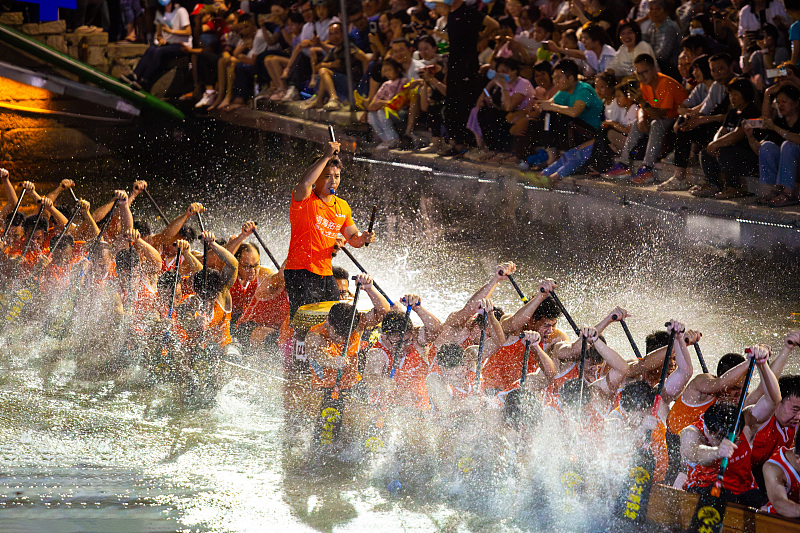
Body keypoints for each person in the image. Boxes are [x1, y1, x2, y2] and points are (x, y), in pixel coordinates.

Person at [680, 345, 781, 508]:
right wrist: (717, 452)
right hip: (704, 493)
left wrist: (762, 364)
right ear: (709, 430)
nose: (724, 439)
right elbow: (695, 453)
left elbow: (773, 400)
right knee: (722, 497)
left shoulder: (745, 421)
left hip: (745, 493)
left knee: (769, 507)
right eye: (719, 437)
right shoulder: (692, 431)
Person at [283, 141, 375, 318]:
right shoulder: (304, 198)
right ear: (316, 178)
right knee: (306, 322)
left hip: (326, 273)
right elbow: (304, 183)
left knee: (334, 319)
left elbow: (354, 239)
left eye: (337, 176)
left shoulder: (342, 206)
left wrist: (364, 237)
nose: (333, 181)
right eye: (327, 176)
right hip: (300, 271)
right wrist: (327, 155)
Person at [603, 54, 688, 184]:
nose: (642, 76)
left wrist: (642, 103)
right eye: (639, 72)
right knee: (638, 122)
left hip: (678, 120)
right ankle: (623, 164)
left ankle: (647, 168)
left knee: (655, 123)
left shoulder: (665, 83)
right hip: (661, 117)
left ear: (654, 69)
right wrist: (642, 118)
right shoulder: (645, 84)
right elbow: (646, 106)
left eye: (645, 72)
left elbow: (659, 115)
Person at [659, 53, 735, 192]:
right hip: (717, 126)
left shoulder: (738, 84)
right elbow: (704, 111)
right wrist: (691, 120)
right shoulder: (716, 87)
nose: (717, 74)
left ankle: (712, 181)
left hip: (734, 130)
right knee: (685, 127)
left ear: (731, 67)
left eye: (721, 69)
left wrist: (702, 119)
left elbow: (735, 117)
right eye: (713, 70)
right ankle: (679, 176)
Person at [696, 77, 761, 199]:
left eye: (736, 94)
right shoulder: (732, 112)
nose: (732, 98)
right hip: (730, 156)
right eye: (730, 94)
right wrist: (714, 143)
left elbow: (738, 134)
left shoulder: (751, 112)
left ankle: (734, 187)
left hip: (748, 157)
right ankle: (713, 184)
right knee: (705, 152)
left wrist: (716, 145)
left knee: (725, 152)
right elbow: (722, 130)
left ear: (745, 94)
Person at [746, 83, 800, 207]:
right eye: (778, 102)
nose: (780, 105)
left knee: (788, 145)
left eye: (784, 102)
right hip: (790, 168)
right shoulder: (779, 122)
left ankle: (788, 193)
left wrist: (775, 128)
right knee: (767, 147)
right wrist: (750, 136)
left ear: (796, 103)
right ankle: (774, 190)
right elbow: (759, 151)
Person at [124, 0, 192, 92]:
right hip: (168, 44)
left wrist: (171, 31)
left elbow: (188, 32)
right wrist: (161, 39)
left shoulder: (181, 11)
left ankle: (145, 79)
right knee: (151, 49)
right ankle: (135, 74)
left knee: (157, 52)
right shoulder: (161, 13)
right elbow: (159, 33)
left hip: (182, 44)